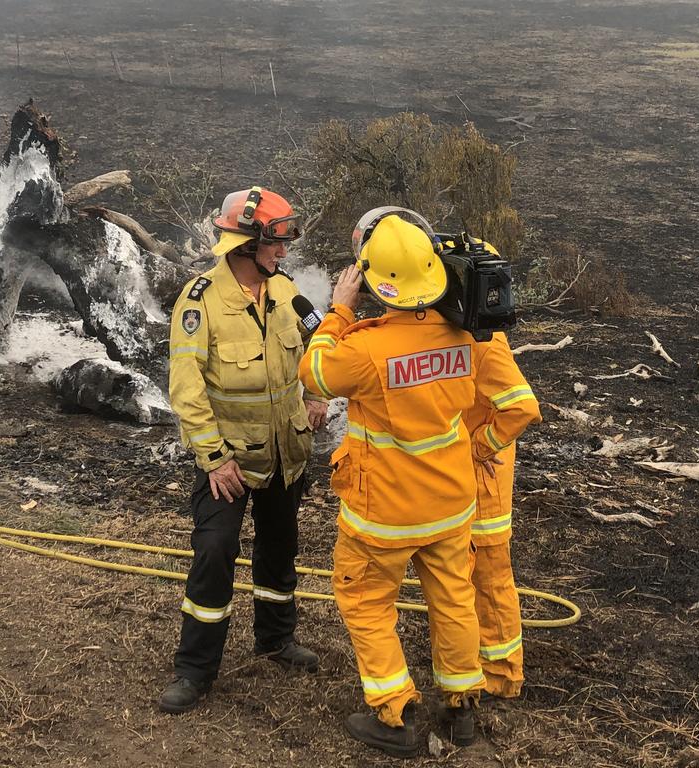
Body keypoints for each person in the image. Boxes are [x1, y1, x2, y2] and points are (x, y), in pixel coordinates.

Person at [298, 208, 539, 757]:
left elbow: (313, 373)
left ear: (378, 284)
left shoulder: (364, 349)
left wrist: (338, 311)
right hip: (452, 508)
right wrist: (479, 449)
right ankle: (462, 710)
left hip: (381, 514)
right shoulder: (470, 339)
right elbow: (516, 408)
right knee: (454, 602)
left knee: (364, 599)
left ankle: (395, 712)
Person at [158, 186, 328, 714]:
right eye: (275, 243)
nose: (283, 253)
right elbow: (186, 390)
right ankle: (195, 669)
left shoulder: (286, 294)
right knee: (214, 555)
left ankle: (275, 640)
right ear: (245, 243)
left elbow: (312, 352)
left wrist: (318, 393)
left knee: (280, 550)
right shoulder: (200, 302)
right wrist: (215, 459)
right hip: (227, 463)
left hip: (286, 456)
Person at [465, 330, 539, 700]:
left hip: (483, 481)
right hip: (458, 478)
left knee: (491, 578)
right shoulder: (451, 332)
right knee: (461, 576)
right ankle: (473, 659)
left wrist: (479, 447)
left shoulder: (484, 341)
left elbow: (522, 408)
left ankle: (502, 674)